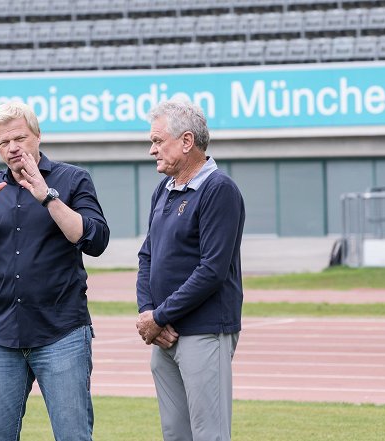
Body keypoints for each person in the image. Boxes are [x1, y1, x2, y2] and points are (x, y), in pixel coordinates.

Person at [0, 101, 109, 441]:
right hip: (0, 337)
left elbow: (96, 240)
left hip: (61, 333)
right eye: (3, 142)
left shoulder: (72, 179)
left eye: (19, 137)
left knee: (73, 437)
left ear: (37, 136)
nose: (12, 147)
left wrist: (47, 196)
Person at [136, 100, 246, 441]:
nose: (152, 150)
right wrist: (147, 313)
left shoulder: (219, 190)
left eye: (158, 141)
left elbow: (211, 270)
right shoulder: (163, 190)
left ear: (186, 141)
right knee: (176, 435)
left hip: (203, 331)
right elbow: (146, 256)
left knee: (209, 435)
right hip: (164, 333)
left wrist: (160, 316)